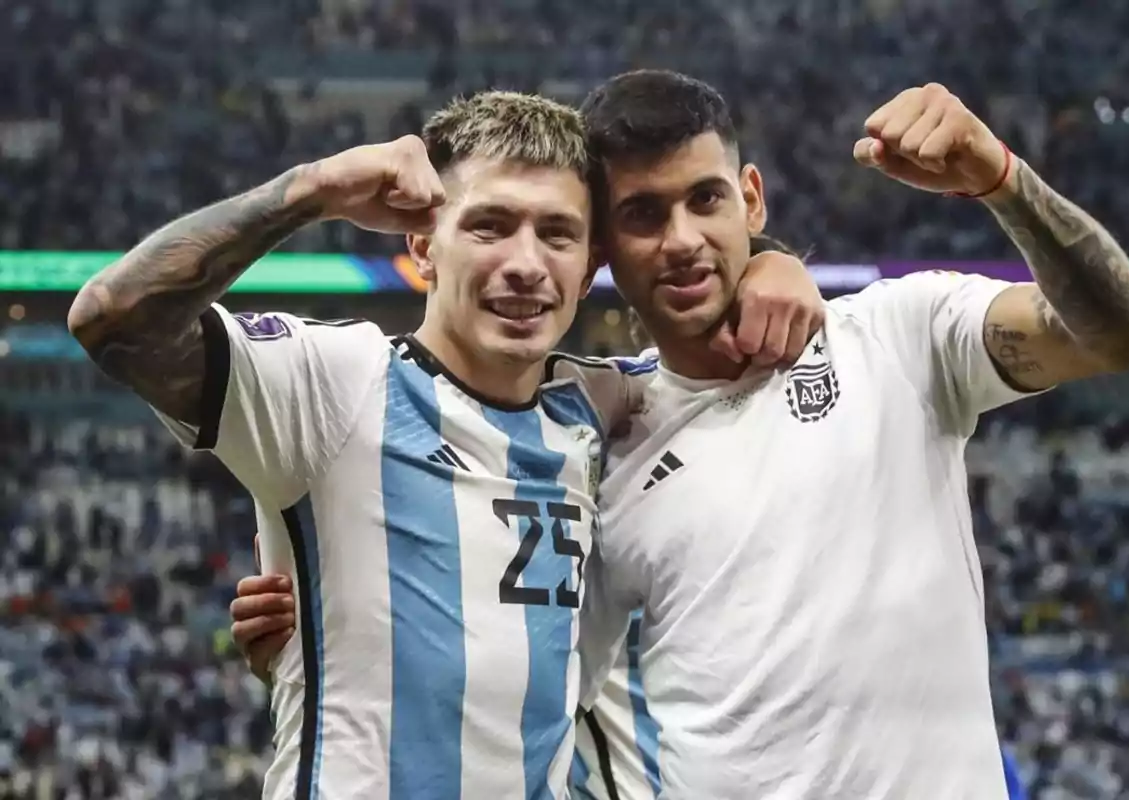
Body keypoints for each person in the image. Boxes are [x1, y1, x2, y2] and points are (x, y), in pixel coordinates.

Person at [229, 70, 1129, 799]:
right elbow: (484, 619)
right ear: (602, 248)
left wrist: (1003, 181)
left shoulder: (901, 337)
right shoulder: (588, 431)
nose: (679, 240)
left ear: (752, 199)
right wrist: (328, 632)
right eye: (641, 216)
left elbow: (1118, 333)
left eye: (705, 200)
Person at [67, 89, 820, 799]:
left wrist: (773, 260)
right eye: (490, 224)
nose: (526, 264)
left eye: (556, 233)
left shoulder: (606, 406)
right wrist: (312, 189)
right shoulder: (333, 385)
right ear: (423, 245)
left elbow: (713, 323)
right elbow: (112, 319)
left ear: (590, 265)